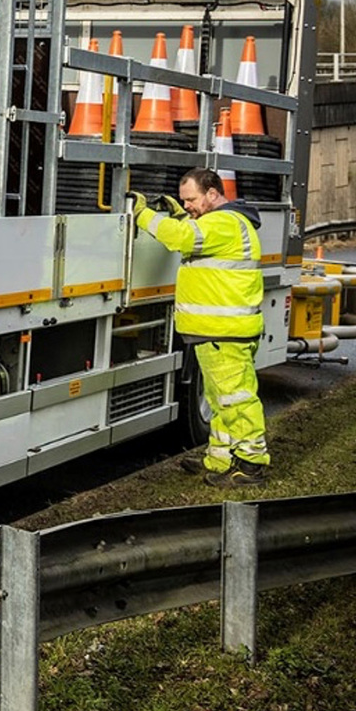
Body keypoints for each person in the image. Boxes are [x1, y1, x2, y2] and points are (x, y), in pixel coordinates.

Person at [132, 168, 269, 488]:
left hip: (225, 332)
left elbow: (182, 238)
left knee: (236, 399)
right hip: (221, 331)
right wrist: (182, 214)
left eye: (191, 199)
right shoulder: (223, 223)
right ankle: (220, 459)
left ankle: (250, 465)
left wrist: (143, 214)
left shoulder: (223, 222)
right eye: (184, 201)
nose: (188, 205)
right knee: (221, 399)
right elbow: (194, 233)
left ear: (212, 194)